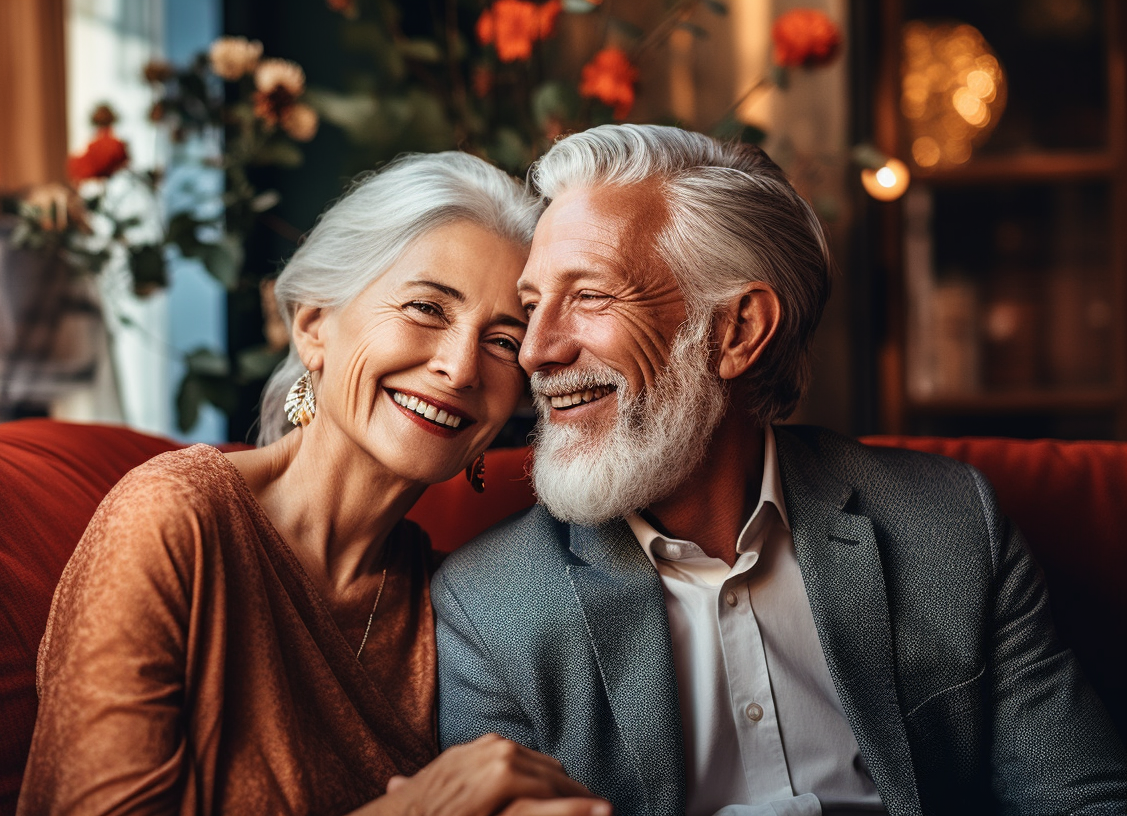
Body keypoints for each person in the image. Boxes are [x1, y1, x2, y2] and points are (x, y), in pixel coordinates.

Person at [432, 125, 1127, 815]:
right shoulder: (488, 610)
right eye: (531, 308)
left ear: (736, 332)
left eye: (589, 296)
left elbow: (1082, 799)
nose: (536, 352)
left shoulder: (947, 523)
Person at [17, 152, 609, 816]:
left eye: (504, 341)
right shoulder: (172, 518)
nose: (459, 367)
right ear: (313, 326)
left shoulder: (460, 602)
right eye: (426, 308)